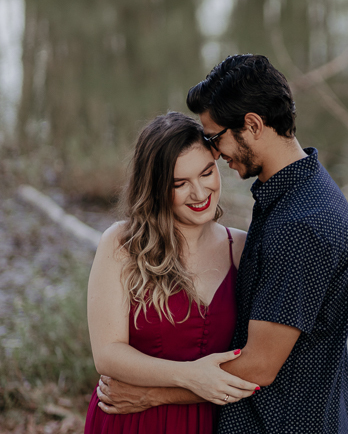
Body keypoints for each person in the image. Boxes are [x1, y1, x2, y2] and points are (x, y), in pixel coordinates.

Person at [97, 55, 348, 433]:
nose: (216, 153)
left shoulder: (301, 224)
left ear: (252, 125)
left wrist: (151, 395)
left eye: (215, 138)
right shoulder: (294, 197)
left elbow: (258, 366)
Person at [83, 111, 255, 433]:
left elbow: (259, 359)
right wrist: (191, 376)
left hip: (211, 422)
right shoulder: (122, 244)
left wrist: (160, 393)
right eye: (180, 183)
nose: (200, 193)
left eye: (206, 173)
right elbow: (107, 354)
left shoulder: (242, 248)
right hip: (130, 419)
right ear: (156, 188)